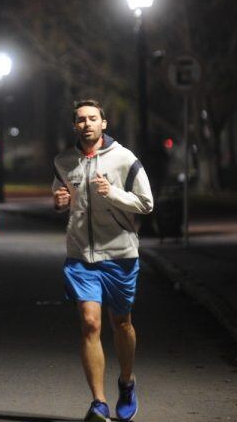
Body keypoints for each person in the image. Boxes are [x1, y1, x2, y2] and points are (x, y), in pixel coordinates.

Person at [52, 99, 153, 422]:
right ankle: (99, 402)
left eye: (92, 119)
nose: (87, 124)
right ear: (74, 126)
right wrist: (59, 201)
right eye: (80, 120)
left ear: (104, 123)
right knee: (90, 323)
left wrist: (113, 193)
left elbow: (146, 203)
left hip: (120, 255)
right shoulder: (64, 161)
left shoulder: (125, 159)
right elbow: (59, 196)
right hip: (81, 256)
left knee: (121, 323)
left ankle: (127, 382)